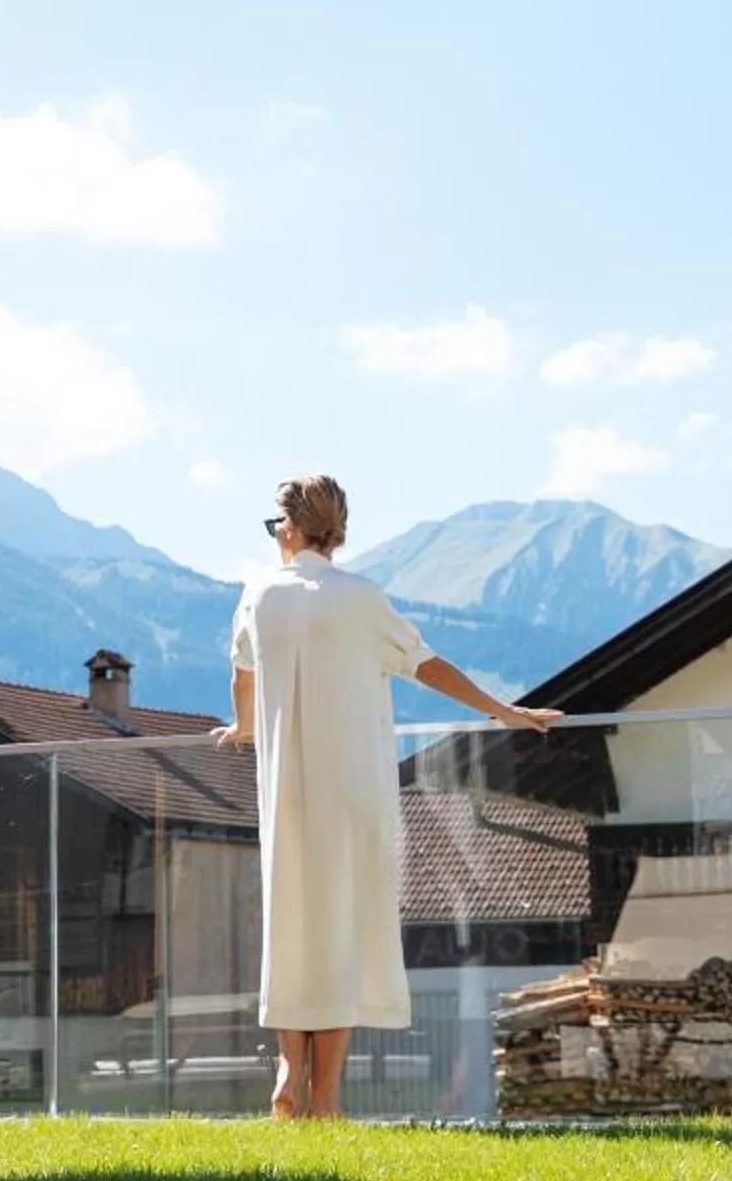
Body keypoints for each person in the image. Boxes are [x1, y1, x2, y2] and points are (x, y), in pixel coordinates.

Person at [212, 476, 559, 1120]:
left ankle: (290, 1071)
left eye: (273, 527)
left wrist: (246, 730)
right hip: (353, 790)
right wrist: (502, 710)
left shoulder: (258, 596)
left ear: (289, 527)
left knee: (293, 923)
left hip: (286, 790)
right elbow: (426, 664)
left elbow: (243, 676)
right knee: (343, 925)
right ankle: (325, 1096)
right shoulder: (362, 599)